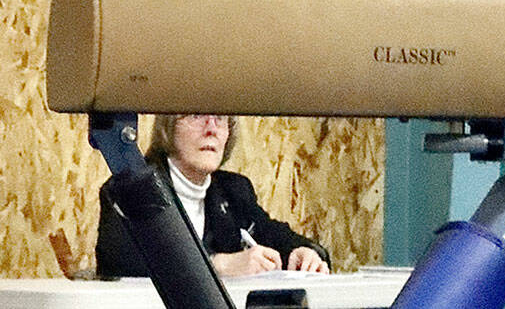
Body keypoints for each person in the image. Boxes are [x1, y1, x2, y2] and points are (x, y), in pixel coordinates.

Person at [96, 112, 330, 279]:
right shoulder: (131, 189)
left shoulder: (233, 190)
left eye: (221, 119)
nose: (211, 129)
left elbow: (275, 234)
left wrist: (304, 252)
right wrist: (217, 264)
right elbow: (123, 262)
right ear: (168, 127)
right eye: (196, 116)